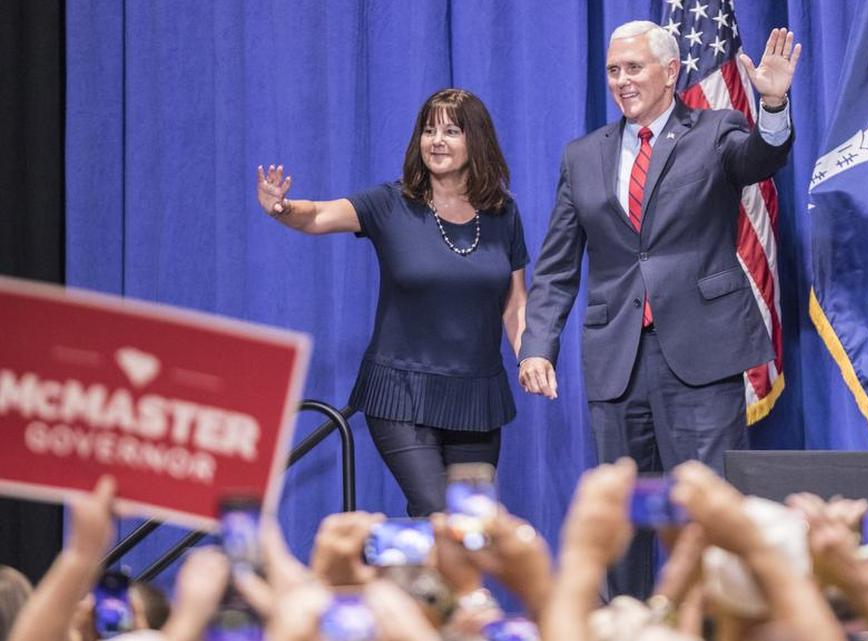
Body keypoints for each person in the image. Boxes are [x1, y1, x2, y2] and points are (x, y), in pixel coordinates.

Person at [518, 20, 801, 599]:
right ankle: (627, 624)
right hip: (617, 360)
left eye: (635, 68)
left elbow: (761, 159)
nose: (622, 81)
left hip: (702, 355)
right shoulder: (582, 156)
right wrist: (537, 343)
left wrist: (772, 104)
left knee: (707, 511)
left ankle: (714, 625)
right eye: (614, 70)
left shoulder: (716, 129)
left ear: (671, 72)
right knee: (621, 518)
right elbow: (555, 263)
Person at [256, 88, 529, 517]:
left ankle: (413, 584)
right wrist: (282, 208)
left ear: (476, 140)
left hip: (477, 398)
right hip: (402, 395)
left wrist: (529, 355)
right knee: (437, 512)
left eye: (451, 131)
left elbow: (515, 302)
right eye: (428, 130)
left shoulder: (502, 214)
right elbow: (317, 215)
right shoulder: (391, 203)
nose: (436, 141)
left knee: (469, 530)